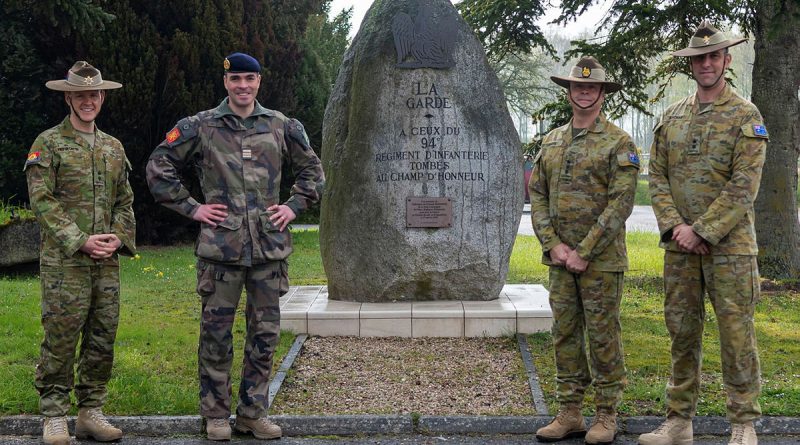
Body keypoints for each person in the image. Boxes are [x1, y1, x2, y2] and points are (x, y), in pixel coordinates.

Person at [146, 52, 324, 441]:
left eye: (249, 79)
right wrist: (193, 208)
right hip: (220, 250)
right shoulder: (201, 126)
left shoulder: (280, 125)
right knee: (216, 335)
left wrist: (293, 207)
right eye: (235, 79)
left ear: (259, 81)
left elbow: (313, 171)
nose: (243, 86)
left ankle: (252, 414)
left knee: (264, 336)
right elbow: (159, 167)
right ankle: (215, 415)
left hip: (268, 251)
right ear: (225, 82)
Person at [638, 21, 768, 445]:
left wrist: (703, 231)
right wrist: (676, 227)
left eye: (714, 56)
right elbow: (656, 176)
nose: (707, 63)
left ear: (726, 61)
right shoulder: (672, 116)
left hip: (730, 249)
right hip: (679, 249)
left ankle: (743, 423)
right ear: (691, 65)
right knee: (681, 332)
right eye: (699, 58)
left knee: (735, 334)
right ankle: (679, 422)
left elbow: (744, 185)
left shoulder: (745, 115)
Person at [528, 56, 639, 445]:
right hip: (560, 261)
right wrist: (554, 245)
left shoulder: (619, 142)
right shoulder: (553, 140)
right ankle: (570, 412)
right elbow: (537, 194)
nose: (585, 91)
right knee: (565, 334)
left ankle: (606, 414)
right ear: (569, 91)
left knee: (603, 336)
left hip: (602, 262)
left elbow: (620, 203)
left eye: (592, 87)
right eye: (578, 86)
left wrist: (585, 250)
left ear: (602, 93)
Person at [24, 61, 136, 445]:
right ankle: (54, 415)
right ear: (68, 97)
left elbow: (125, 200)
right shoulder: (48, 143)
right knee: (61, 336)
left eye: (94, 94)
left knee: (103, 336)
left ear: (102, 96)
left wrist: (118, 237)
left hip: (105, 263)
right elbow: (42, 201)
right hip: (64, 262)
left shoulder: (112, 147)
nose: (88, 101)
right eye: (81, 95)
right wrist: (79, 240)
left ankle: (90, 412)